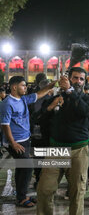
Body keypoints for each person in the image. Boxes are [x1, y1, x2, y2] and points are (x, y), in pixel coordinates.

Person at [36, 67, 89, 215]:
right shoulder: (55, 99)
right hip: (56, 149)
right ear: (68, 78)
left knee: (77, 193)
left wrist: (70, 92)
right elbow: (38, 120)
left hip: (78, 150)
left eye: (81, 79)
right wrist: (49, 108)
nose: (78, 81)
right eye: (75, 78)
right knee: (44, 190)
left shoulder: (88, 99)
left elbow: (85, 112)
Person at [0, 76, 56, 208]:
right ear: (14, 87)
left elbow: (39, 94)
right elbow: (5, 125)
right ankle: (21, 198)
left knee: (22, 167)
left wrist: (52, 85)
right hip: (15, 141)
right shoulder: (7, 103)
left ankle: (21, 194)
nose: (26, 87)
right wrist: (13, 143)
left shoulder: (23, 99)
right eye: (23, 85)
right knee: (28, 166)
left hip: (25, 139)